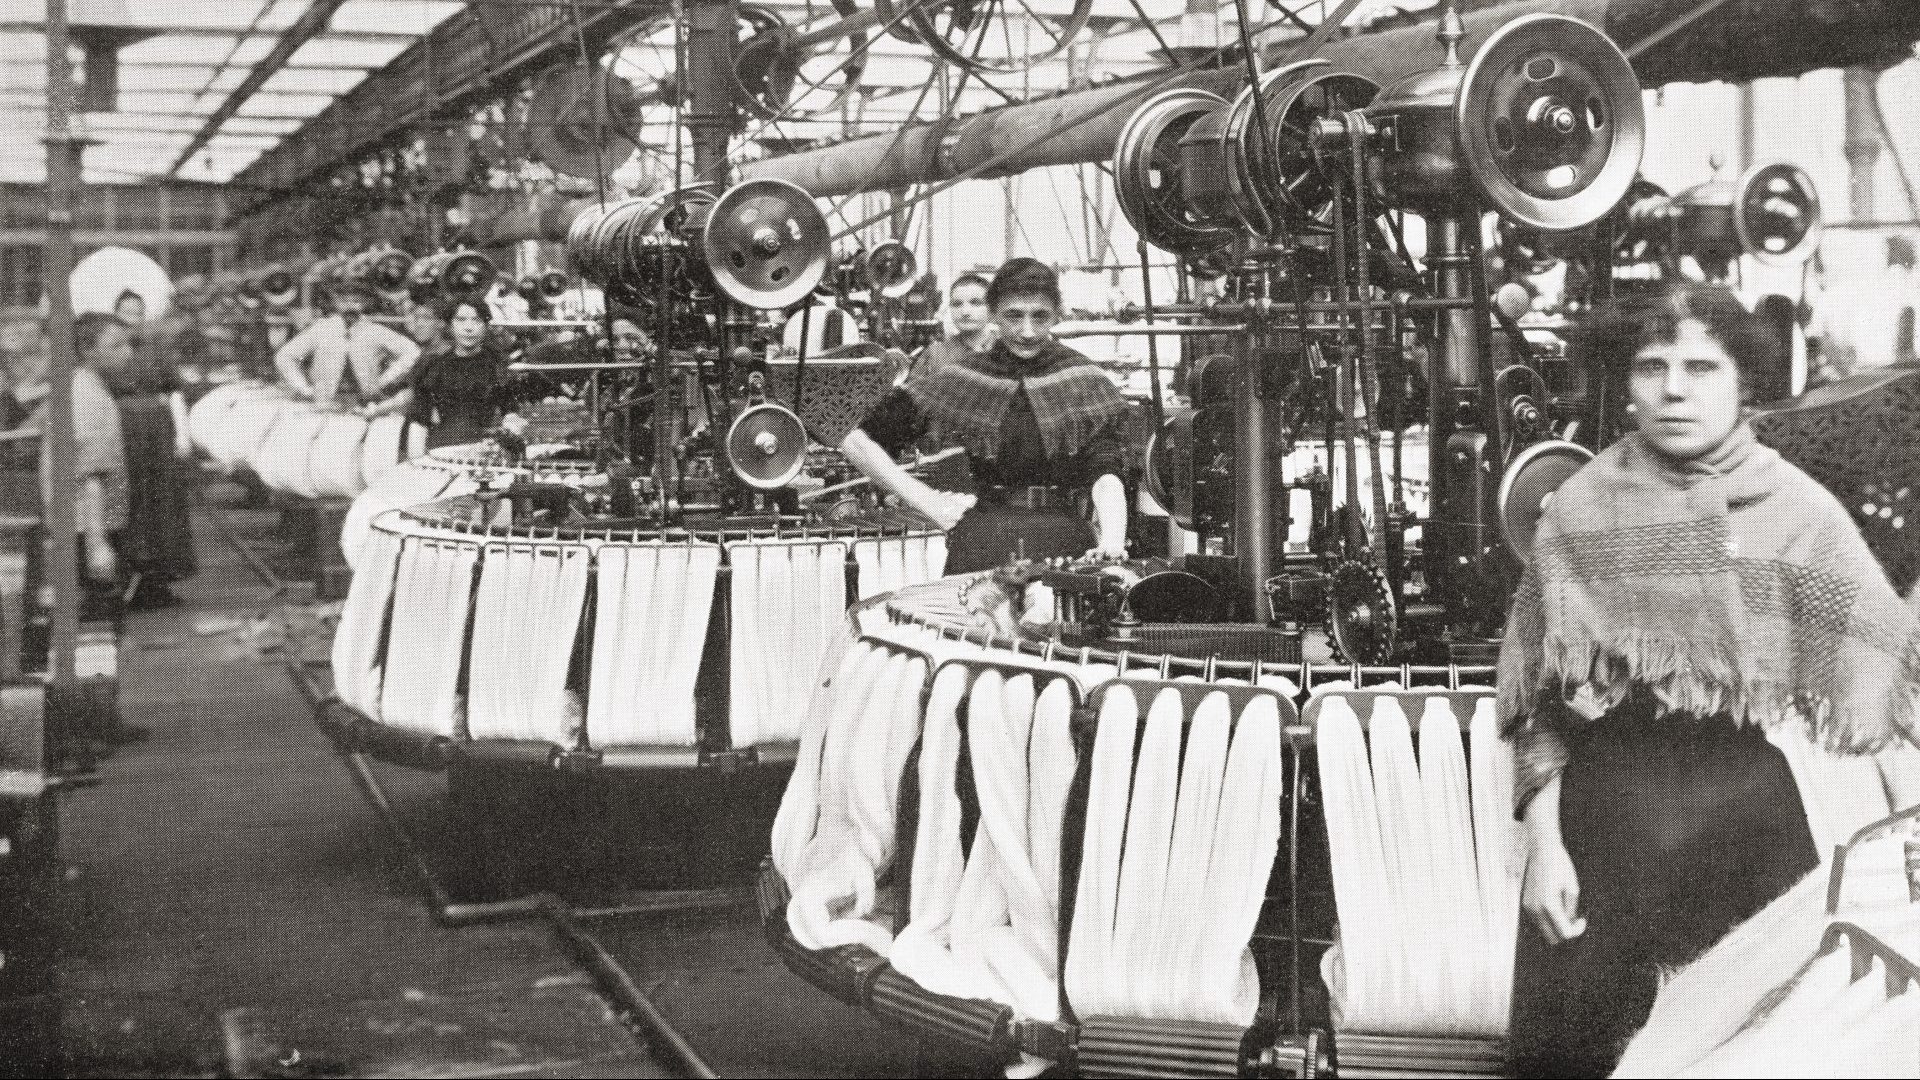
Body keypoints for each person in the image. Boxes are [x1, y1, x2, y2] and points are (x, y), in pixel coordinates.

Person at [1497, 283, 1920, 1078]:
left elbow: (1890, 668)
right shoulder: (1579, 510)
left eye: (1701, 366)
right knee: (1575, 1054)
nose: (1675, 389)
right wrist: (1545, 851)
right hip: (1604, 830)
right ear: (1625, 384)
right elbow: (1537, 709)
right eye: (1652, 367)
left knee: (1763, 1045)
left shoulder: (1798, 511)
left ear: (1743, 382)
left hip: (1749, 825)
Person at [841, 258, 1130, 575]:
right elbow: (855, 437)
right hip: (985, 539)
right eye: (1014, 316)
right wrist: (928, 502)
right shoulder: (964, 378)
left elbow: (1105, 471)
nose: (1028, 331)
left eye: (1040, 316)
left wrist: (1113, 544)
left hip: (1066, 543)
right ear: (994, 315)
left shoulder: (1083, 378)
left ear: (1057, 314)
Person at [108, 290, 196, 609]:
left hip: (156, 433)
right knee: (128, 503)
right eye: (126, 312)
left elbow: (174, 392)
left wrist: (183, 436)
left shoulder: (156, 348)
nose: (132, 318)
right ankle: (124, 581)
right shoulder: (109, 351)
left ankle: (157, 583)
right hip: (121, 430)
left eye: (137, 312)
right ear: (116, 315)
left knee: (162, 505)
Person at [361, 296, 513, 449]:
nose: (469, 327)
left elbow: (511, 412)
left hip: (482, 447)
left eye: (476, 320)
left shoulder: (497, 365)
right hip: (441, 446)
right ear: (451, 325)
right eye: (461, 320)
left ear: (485, 326)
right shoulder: (435, 365)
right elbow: (420, 419)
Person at [272, 279, 418, 408]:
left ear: (365, 303)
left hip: (365, 405)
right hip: (326, 404)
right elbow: (284, 356)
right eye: (344, 301)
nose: (350, 307)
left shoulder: (375, 330)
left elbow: (412, 351)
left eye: (356, 301)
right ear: (335, 303)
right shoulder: (322, 328)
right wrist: (304, 388)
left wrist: (384, 381)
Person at [907, 272, 995, 382]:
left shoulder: (1006, 350)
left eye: (976, 303)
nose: (965, 312)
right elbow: (912, 394)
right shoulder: (935, 354)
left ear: (991, 308)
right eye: (957, 304)